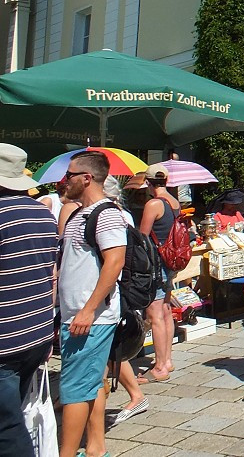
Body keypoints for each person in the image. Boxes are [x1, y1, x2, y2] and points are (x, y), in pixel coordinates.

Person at [57, 150, 127, 457]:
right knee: (91, 382)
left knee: (73, 390)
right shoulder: (76, 214)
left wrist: (87, 310)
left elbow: (115, 262)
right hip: (78, 315)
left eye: (70, 175)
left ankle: (67, 454)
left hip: (90, 319)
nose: (64, 180)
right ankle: (96, 448)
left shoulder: (106, 213)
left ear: (87, 178)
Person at [0, 145, 58, 454]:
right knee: (12, 416)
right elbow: (50, 274)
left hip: (5, 341)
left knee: (7, 429)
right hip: (35, 334)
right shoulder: (43, 214)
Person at [100, 176, 149, 423]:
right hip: (120, 289)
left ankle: (98, 397)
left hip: (113, 290)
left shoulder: (111, 218)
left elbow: (115, 261)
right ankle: (135, 395)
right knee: (112, 347)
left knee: (109, 346)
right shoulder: (125, 216)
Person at [136, 163, 182, 384]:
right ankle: (168, 360)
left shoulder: (153, 204)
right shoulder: (174, 202)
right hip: (170, 262)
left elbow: (142, 237)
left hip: (155, 264)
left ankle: (160, 366)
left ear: (148, 182)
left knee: (155, 315)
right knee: (165, 311)